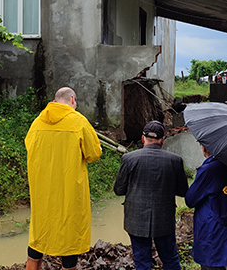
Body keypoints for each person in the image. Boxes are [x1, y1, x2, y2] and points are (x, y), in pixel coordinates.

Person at [24, 87, 102, 270]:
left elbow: (29, 147)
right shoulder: (78, 122)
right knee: (69, 238)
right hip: (69, 190)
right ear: (73, 100)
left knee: (39, 234)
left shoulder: (37, 123)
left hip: (43, 191)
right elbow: (93, 154)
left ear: (55, 100)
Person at [113, 120, 189, 270]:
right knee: (171, 260)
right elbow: (183, 191)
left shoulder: (129, 159)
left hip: (136, 221)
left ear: (143, 138)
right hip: (164, 221)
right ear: (163, 140)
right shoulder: (175, 161)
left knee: (142, 263)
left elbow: (118, 190)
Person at [185, 143, 227, 270]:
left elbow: (190, 200)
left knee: (212, 263)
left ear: (204, 148)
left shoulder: (208, 170)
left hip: (213, 228)